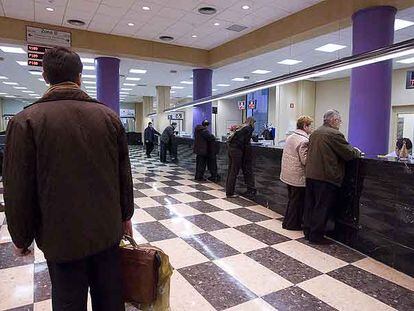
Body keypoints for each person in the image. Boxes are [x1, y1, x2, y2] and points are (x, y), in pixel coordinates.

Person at [3, 47, 134, 311]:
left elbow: (18, 188)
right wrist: (125, 217)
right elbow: (124, 176)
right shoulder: (109, 117)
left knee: (68, 302)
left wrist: (20, 237)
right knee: (110, 300)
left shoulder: (25, 121)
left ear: (45, 76)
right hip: (106, 232)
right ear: (80, 76)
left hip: (60, 237)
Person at [304, 109, 360, 244]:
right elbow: (349, 153)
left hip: (311, 174)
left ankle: (308, 231)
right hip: (326, 175)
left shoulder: (315, 133)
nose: (340, 123)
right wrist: (357, 151)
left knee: (311, 205)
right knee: (322, 207)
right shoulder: (335, 134)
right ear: (334, 120)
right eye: (339, 121)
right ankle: (316, 236)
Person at [280, 116, 313, 230]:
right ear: (305, 126)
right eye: (310, 126)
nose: (311, 128)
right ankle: (293, 225)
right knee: (297, 201)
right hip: (297, 176)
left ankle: (287, 223)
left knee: (292, 200)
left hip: (288, 174)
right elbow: (305, 160)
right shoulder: (304, 140)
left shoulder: (290, 137)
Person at [226, 117, 257, 199]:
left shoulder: (241, 128)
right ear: (252, 122)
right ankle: (230, 193)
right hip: (237, 151)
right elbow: (245, 142)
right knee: (234, 172)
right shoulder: (249, 128)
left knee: (231, 171)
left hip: (231, 149)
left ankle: (228, 191)